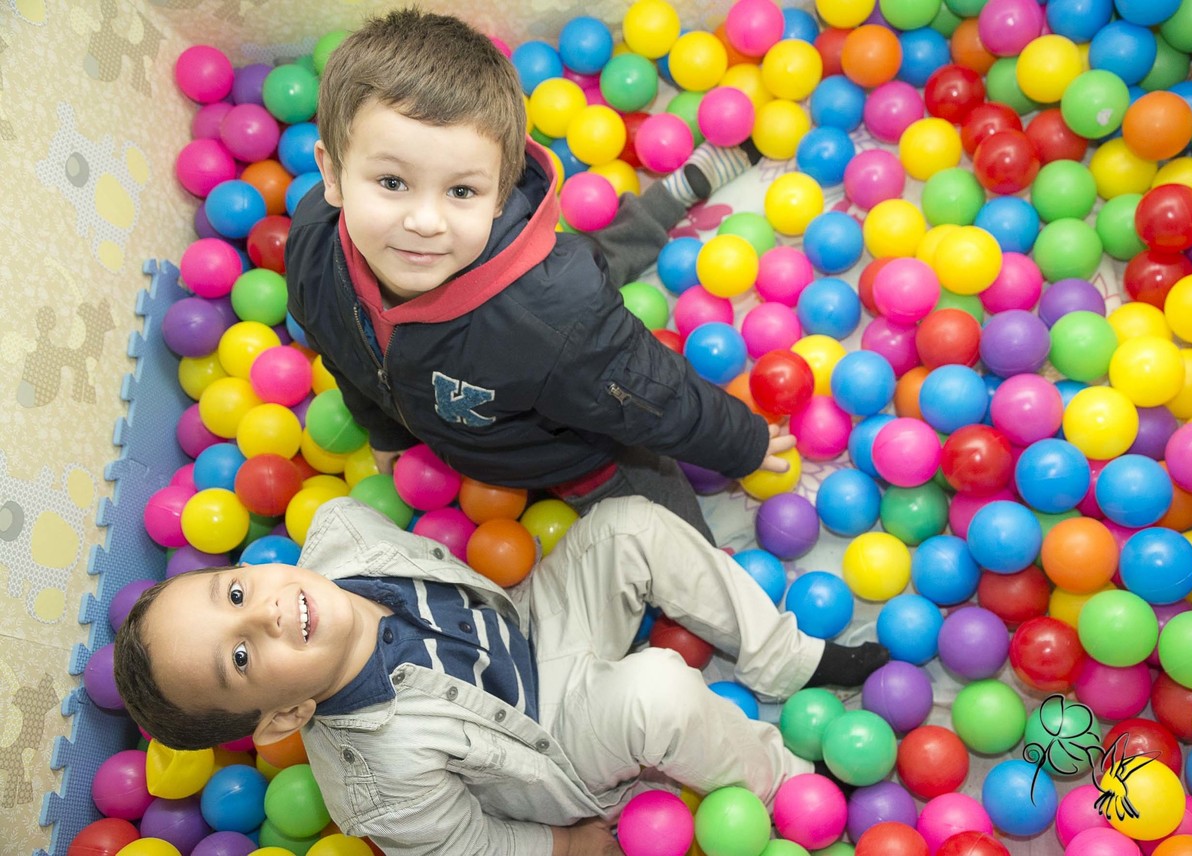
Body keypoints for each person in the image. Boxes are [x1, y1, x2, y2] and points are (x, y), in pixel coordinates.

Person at [114, 495, 889, 856]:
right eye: (241, 658)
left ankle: (786, 658)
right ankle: (791, 786)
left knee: (628, 525)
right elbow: (469, 845)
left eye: (236, 593)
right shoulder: (378, 781)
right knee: (658, 692)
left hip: (531, 627)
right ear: (284, 719)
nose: (267, 614)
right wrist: (567, 845)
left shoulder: (343, 529)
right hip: (546, 741)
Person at [286, 8, 795, 544]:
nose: (425, 222)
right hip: (500, 389)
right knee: (568, 287)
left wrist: (743, 443)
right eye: (392, 182)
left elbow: (652, 393)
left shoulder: (555, 313)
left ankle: (673, 195)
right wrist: (385, 429)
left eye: (461, 191)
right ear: (332, 175)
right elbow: (348, 360)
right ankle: (668, 197)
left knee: (679, 556)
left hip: (577, 456)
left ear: (499, 196)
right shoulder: (313, 251)